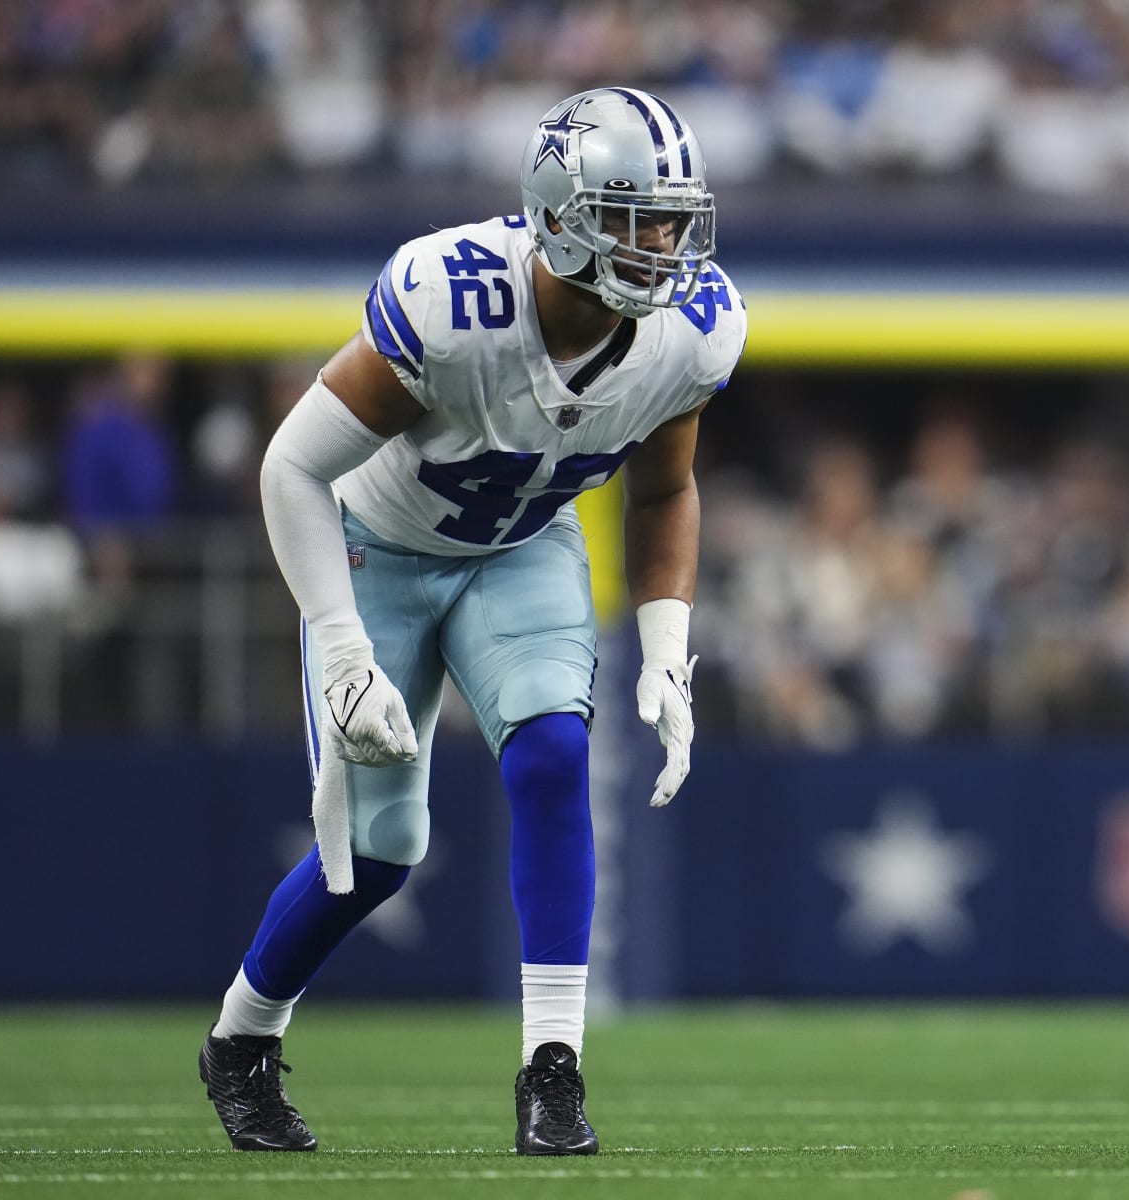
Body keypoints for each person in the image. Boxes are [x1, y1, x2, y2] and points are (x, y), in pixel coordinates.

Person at [199, 87, 745, 1157]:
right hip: (376, 551)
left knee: (552, 758)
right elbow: (295, 466)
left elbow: (666, 492)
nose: (663, 245)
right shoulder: (455, 302)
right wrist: (341, 638)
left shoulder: (694, 330)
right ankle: (242, 1040)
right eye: (636, 217)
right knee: (381, 848)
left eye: (674, 218)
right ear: (559, 210)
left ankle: (554, 1069)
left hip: (521, 550)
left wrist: (670, 648)